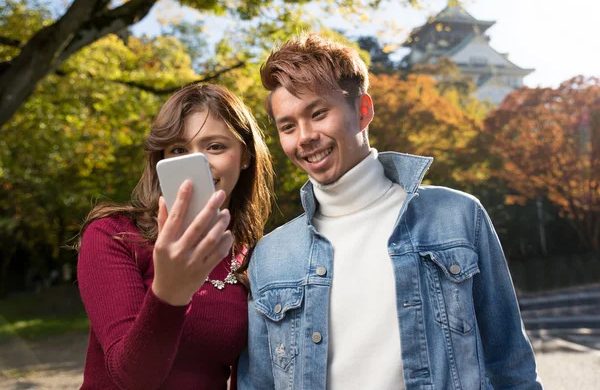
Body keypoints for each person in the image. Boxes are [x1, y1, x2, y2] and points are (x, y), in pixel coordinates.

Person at [237, 33, 543, 389]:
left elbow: (510, 365)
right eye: (288, 126)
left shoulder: (457, 217)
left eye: (318, 113)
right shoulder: (271, 256)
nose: (304, 137)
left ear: (363, 111)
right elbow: (257, 384)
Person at [77, 83, 274, 389]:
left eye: (215, 146)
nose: (198, 163)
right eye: (179, 150)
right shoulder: (114, 234)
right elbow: (132, 377)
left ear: (245, 155)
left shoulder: (254, 257)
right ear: (161, 160)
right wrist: (170, 292)